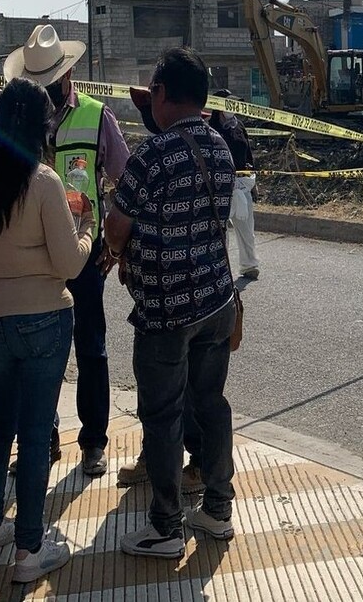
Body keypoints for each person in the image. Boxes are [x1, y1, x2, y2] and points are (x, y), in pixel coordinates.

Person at [0, 77, 94, 581]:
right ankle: (29, 549)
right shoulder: (44, 181)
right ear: (40, 127)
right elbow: (69, 264)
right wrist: (87, 229)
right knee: (34, 435)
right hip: (44, 319)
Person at [106, 48, 239, 559]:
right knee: (211, 403)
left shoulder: (152, 154)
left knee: (162, 416)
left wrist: (121, 249)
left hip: (166, 309)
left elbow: (117, 227)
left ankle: (165, 527)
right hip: (216, 300)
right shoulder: (221, 148)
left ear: (161, 93)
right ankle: (218, 510)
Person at [3, 24, 129, 477]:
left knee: (91, 347)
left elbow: (125, 180)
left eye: (51, 82)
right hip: (33, 255)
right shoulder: (20, 123)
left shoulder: (97, 117)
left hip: (83, 253)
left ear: (67, 75)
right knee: (37, 352)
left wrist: (114, 241)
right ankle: (42, 440)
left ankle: (93, 442)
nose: (45, 91)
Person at [208, 89, 260, 280]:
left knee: (246, 228)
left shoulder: (239, 127)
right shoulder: (210, 128)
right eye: (229, 103)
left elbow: (248, 155)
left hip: (242, 184)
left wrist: (254, 183)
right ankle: (221, 270)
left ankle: (249, 265)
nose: (233, 108)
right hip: (220, 187)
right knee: (220, 231)